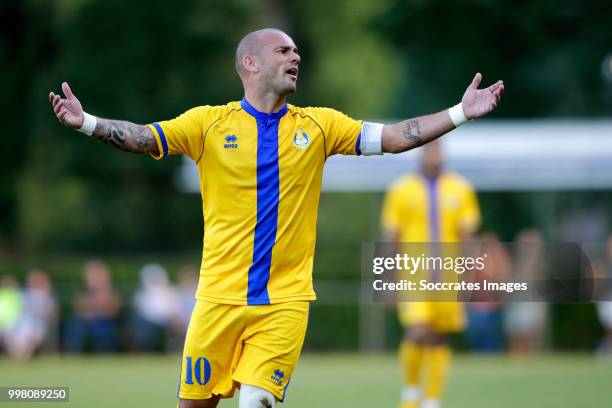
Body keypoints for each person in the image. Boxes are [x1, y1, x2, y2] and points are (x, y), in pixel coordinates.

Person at [49, 28, 503, 408]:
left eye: (296, 51)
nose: (295, 56)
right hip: (216, 300)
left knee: (257, 401)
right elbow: (144, 137)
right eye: (283, 50)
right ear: (250, 63)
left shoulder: (320, 126)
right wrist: (87, 122)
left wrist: (461, 112)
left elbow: (394, 136)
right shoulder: (208, 124)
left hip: (284, 302)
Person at [380, 141, 481, 408]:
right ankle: (411, 393)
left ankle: (432, 399)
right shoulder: (401, 190)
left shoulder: (460, 188)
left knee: (438, 336)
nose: (436, 155)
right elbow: (393, 238)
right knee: (418, 330)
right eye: (431, 150)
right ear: (421, 154)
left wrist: (469, 277)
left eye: (439, 150)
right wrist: (388, 280)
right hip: (412, 276)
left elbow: (467, 238)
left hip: (448, 277)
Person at [63, 260, 122, 352]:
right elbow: (79, 307)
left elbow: (114, 310)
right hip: (85, 321)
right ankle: (72, 354)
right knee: (73, 326)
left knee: (105, 331)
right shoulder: (83, 291)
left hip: (104, 322)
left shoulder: (111, 292)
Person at [5, 269, 57, 359]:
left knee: (28, 328)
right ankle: (19, 352)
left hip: (37, 324)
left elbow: (49, 313)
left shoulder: (46, 297)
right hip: (20, 323)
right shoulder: (24, 294)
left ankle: (23, 352)